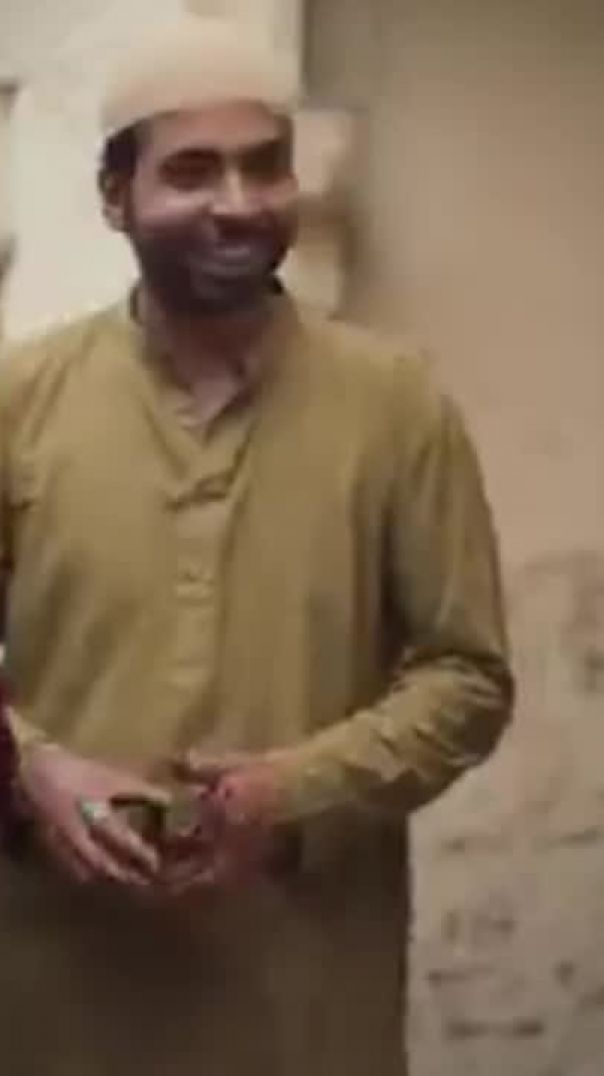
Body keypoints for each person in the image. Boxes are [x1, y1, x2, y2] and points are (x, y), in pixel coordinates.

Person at [0, 17, 513, 1076]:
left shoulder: (395, 404)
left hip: (300, 993)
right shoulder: (20, 400)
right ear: (115, 197)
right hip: (57, 992)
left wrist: (293, 792)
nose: (238, 203)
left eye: (264, 165)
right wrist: (31, 767)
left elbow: (467, 675)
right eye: (192, 171)